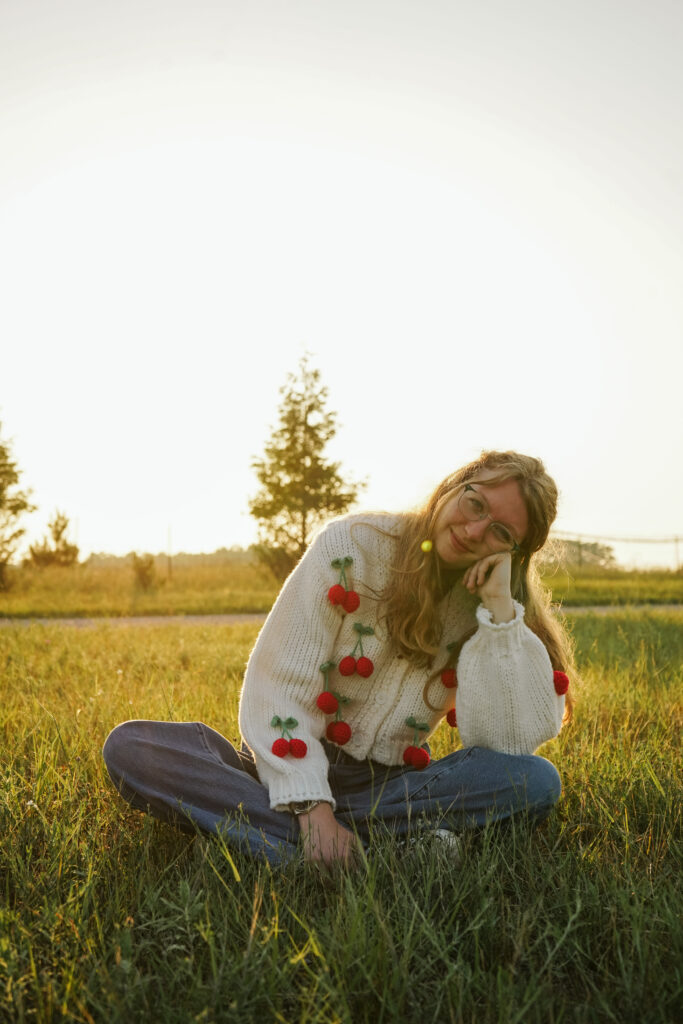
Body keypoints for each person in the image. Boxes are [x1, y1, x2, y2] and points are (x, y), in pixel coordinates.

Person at [103, 450, 574, 869]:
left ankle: (271, 844)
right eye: (475, 504)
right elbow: (282, 683)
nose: (474, 531)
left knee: (535, 781)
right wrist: (311, 809)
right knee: (133, 748)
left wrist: (500, 616)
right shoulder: (352, 546)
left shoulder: (494, 610)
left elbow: (506, 743)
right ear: (454, 485)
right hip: (285, 771)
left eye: (500, 532)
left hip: (390, 789)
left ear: (517, 554)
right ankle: (380, 850)